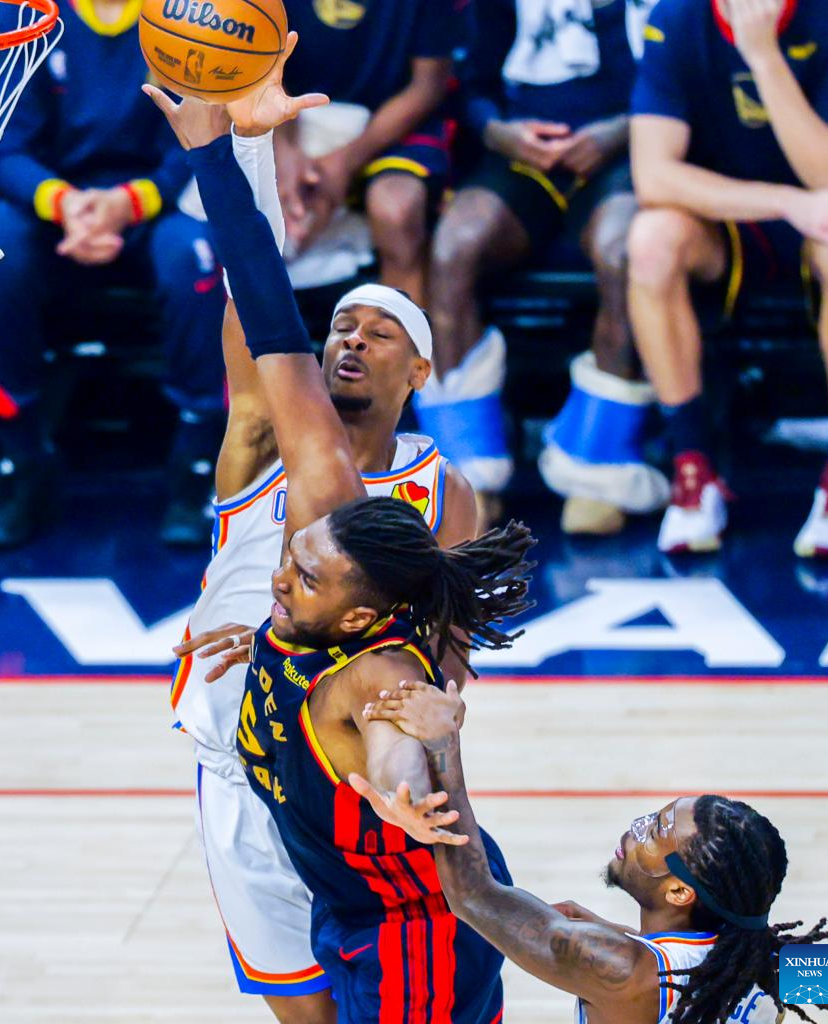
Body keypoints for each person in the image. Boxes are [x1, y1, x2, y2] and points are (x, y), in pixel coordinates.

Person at [146, 62, 535, 1023]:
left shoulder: (437, 493)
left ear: (422, 369)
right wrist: (245, 144)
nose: (351, 341)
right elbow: (257, 291)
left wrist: (415, 755)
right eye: (342, 327)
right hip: (240, 754)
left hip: (347, 775)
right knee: (303, 1005)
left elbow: (426, 670)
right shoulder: (276, 438)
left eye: (379, 331)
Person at [354, 679, 828, 1024]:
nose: (635, 830)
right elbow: (824, 979)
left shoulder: (621, 969)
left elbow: (473, 896)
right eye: (654, 817)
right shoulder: (768, 956)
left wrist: (442, 745)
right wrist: (624, 935)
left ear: (679, 892)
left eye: (654, 833)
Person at [417, 0, 668, 534]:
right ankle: (470, 477)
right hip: (522, 156)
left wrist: (620, 131)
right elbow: (473, 85)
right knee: (453, 249)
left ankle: (596, 469)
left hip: (631, 152)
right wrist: (498, 133)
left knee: (623, 252)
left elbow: (690, 82)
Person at [628, 0, 828, 556]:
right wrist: (785, 202)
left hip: (826, 220)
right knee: (650, 240)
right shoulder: (677, 18)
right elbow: (653, 176)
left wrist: (764, 57)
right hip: (728, 219)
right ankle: (693, 472)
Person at [0, 0, 227, 548]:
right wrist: (65, 205)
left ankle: (197, 466)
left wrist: (129, 203)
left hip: (154, 203)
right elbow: (8, 148)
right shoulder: (25, 16)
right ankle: (20, 458)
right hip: (54, 205)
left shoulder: (187, 18)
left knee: (195, 259)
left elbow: (195, 140)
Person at [272, 0, 457, 304]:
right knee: (236, 215)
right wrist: (284, 149)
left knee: (397, 211)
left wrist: (344, 162)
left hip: (390, 122)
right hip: (285, 114)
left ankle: (398, 331)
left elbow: (427, 86)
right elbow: (254, 63)